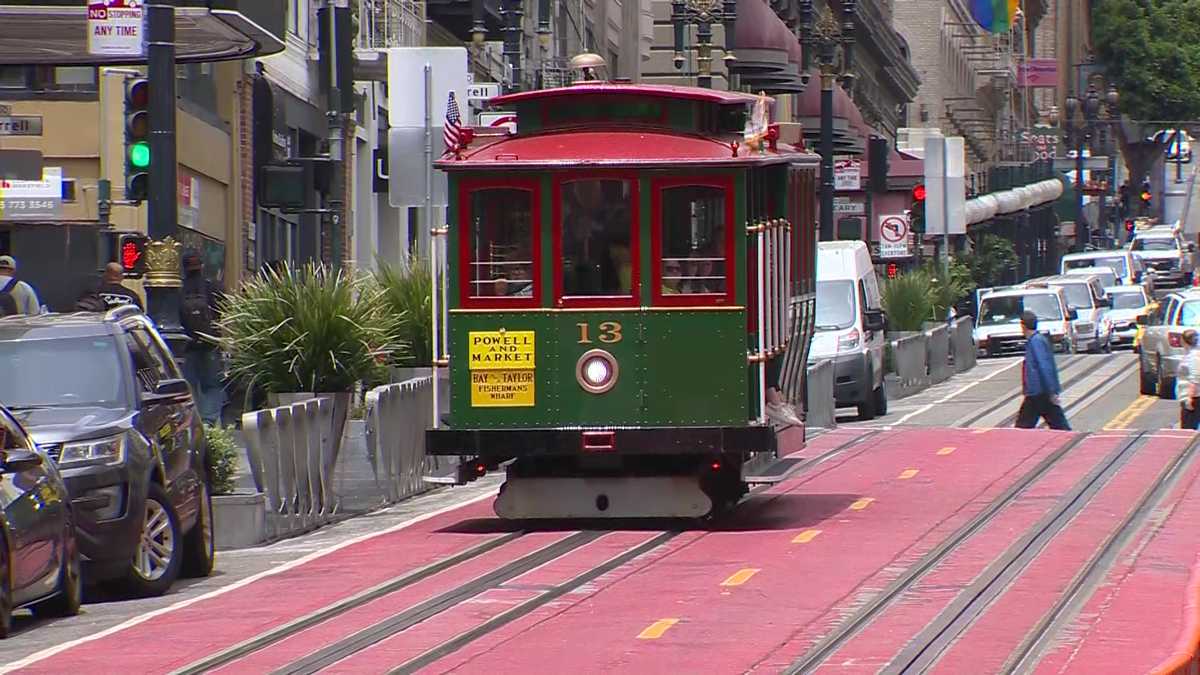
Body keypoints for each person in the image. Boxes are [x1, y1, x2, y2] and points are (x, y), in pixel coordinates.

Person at [180, 250, 224, 424]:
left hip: (187, 345)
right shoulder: (211, 287)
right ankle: (209, 421)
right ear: (202, 266)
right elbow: (223, 309)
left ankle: (193, 420)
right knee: (211, 384)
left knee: (188, 385)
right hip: (209, 343)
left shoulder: (178, 289)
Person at [1015, 310, 1071, 431]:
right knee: (1058, 424)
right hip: (1039, 393)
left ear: (1023, 325)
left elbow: (1044, 366)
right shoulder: (1037, 340)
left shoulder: (1036, 341)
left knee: (1022, 427)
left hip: (1039, 392)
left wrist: (1051, 391)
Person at [1176, 329, 1200, 429]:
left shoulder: (1193, 356)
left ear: (1183, 340)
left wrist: (1190, 398)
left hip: (1194, 398)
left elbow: (1196, 378)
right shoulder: (1191, 354)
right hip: (1192, 396)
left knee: (1188, 430)